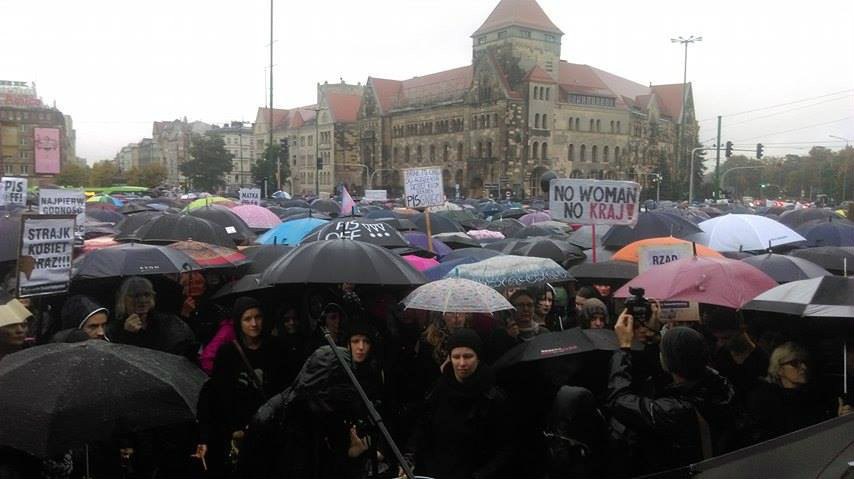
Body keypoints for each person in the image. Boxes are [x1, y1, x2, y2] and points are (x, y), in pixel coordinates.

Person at [607, 313, 736, 474]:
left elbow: (619, 401)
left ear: (667, 362)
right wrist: (655, 338)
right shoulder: (722, 387)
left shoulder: (674, 411)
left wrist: (624, 347)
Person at [195, 297, 288, 477]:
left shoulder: (275, 347)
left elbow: (284, 386)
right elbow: (219, 394)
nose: (254, 323)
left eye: (258, 317)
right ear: (239, 322)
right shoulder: (228, 352)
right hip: (239, 431)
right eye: (247, 319)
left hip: (270, 428)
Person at [406, 329, 514, 479]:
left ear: (478, 358)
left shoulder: (493, 397)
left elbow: (506, 446)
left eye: (468, 356)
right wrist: (410, 457)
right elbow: (423, 426)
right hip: (436, 471)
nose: (462, 363)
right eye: (456, 357)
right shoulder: (438, 390)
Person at [746, 342, 848, 443]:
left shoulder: (818, 395)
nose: (804, 367)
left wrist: (843, 418)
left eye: (804, 362)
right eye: (795, 363)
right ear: (779, 369)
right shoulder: (767, 401)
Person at [106, 276, 199, 360]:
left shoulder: (166, 321)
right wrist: (127, 334)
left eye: (147, 295)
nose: (142, 300)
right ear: (123, 299)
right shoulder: (114, 327)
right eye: (135, 296)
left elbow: (183, 344)